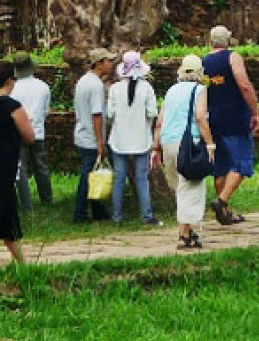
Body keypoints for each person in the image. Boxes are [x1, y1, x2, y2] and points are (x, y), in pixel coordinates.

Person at [151, 55, 216, 249]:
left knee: (179, 186)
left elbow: (159, 122)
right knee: (190, 185)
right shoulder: (199, 89)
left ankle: (187, 230)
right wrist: (210, 144)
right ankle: (184, 234)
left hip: (168, 141)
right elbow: (201, 117)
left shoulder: (171, 90)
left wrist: (155, 147)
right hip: (188, 142)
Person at [202, 26, 259, 225]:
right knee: (242, 162)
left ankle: (225, 212)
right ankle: (221, 201)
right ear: (227, 40)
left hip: (214, 119)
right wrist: (255, 111)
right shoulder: (232, 57)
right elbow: (244, 85)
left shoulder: (204, 62)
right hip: (235, 117)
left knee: (221, 167)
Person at [107, 51, 161, 226]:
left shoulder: (115, 89)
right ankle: (146, 215)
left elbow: (109, 114)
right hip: (141, 139)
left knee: (119, 178)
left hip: (119, 140)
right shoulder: (146, 88)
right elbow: (152, 112)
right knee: (142, 178)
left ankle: (117, 216)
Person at [72, 47, 115, 224]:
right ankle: (80, 212)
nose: (111, 65)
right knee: (88, 176)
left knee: (93, 174)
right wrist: (100, 142)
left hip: (82, 133)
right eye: (108, 61)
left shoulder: (83, 81)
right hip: (91, 137)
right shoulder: (96, 86)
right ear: (99, 64)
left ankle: (97, 209)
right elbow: (96, 115)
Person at [0, 61, 35, 263]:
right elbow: (29, 136)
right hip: (5, 166)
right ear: (9, 81)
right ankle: (21, 262)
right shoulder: (13, 106)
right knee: (7, 213)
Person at [10, 52, 52, 210]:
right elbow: (46, 111)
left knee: (20, 168)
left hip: (18, 132)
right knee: (41, 166)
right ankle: (47, 199)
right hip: (38, 131)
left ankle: (26, 203)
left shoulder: (13, 88)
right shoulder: (43, 87)